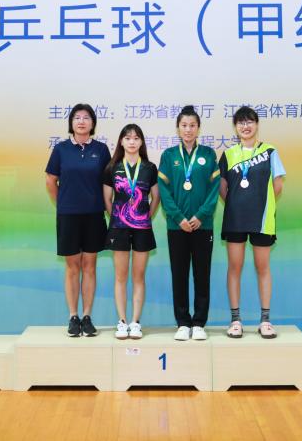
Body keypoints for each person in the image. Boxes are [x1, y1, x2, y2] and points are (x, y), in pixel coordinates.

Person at [218, 106, 286, 339]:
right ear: (235, 127)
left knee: (262, 267)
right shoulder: (228, 154)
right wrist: (237, 204)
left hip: (262, 220)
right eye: (241, 122)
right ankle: (235, 320)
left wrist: (260, 203)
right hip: (235, 219)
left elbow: (278, 185)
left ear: (256, 125)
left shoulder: (270, 151)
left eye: (249, 122)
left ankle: (265, 320)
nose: (245, 126)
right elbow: (223, 188)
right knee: (234, 267)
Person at [45, 104, 110, 337]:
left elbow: (108, 183)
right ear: (71, 123)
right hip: (68, 216)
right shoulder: (61, 149)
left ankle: (87, 316)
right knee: (73, 267)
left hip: (93, 215)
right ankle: (73, 317)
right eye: (77, 117)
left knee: (89, 266)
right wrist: (63, 204)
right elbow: (51, 181)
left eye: (86, 117)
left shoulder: (101, 150)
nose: (81, 121)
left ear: (93, 123)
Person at [158, 106, 219, 341]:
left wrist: (201, 215)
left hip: (203, 226)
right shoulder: (169, 156)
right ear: (178, 128)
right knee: (179, 274)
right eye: (184, 125)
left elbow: (214, 190)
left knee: (202, 275)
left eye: (192, 125)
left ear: (198, 128)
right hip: (177, 227)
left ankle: (199, 323)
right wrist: (179, 218)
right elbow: (164, 192)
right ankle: (183, 322)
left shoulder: (209, 154)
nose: (188, 129)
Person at [103, 124, 160, 340]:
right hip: (118, 228)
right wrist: (119, 218)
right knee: (120, 276)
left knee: (138, 276)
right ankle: (122, 321)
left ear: (141, 142)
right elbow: (107, 198)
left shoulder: (149, 168)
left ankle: (135, 322)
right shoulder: (112, 167)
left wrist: (145, 217)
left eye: (136, 138)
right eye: (127, 138)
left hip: (142, 228)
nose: (132, 142)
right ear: (121, 141)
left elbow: (156, 197)